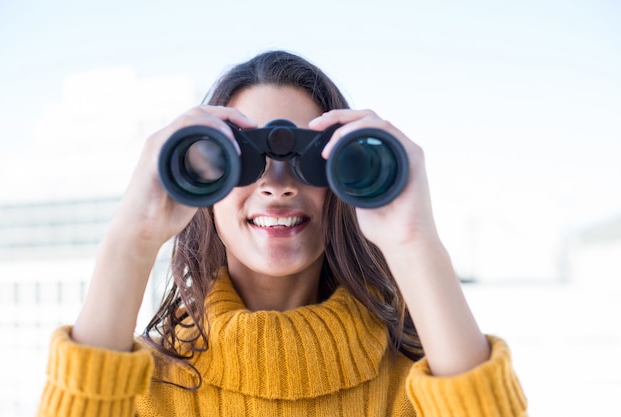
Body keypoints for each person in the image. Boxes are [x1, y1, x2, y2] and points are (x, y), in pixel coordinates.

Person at [38, 50, 527, 416]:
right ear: (202, 187)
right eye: (240, 161)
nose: (276, 185)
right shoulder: (142, 391)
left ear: (347, 180)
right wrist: (133, 236)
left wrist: (413, 240)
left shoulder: (422, 385)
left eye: (310, 160)